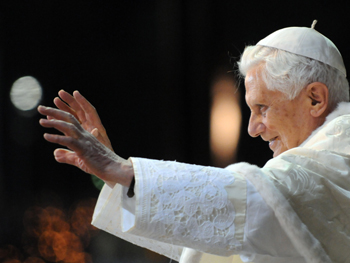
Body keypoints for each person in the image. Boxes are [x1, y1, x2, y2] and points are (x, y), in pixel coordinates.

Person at [38, 21, 350, 263]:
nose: (254, 129)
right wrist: (121, 179)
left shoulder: (342, 147)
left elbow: (265, 201)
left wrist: (125, 171)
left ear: (315, 99)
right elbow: (218, 230)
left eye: (263, 108)